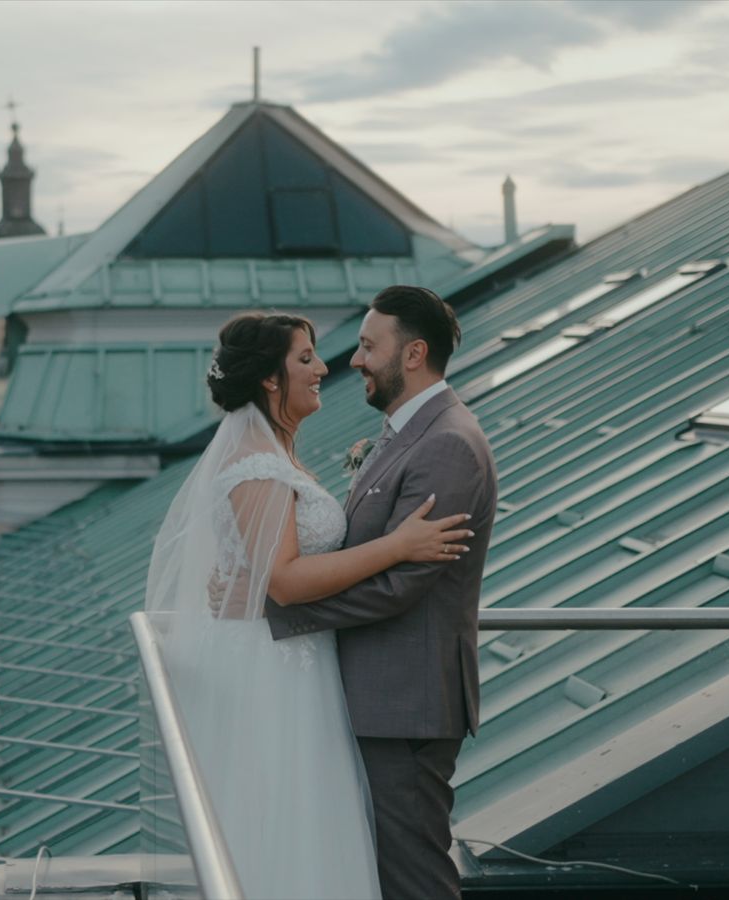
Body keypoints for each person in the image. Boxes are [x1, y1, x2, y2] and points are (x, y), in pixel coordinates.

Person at [144, 310, 474, 900]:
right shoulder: (256, 463)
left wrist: (253, 591)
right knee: (293, 829)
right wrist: (397, 545)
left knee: (315, 828)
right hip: (277, 675)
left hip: (302, 665)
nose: (325, 367)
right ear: (271, 379)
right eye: (305, 359)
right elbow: (289, 581)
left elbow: (274, 578)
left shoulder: (274, 453)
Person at [268, 285, 496, 900]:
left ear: (414, 353)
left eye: (370, 346)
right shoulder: (406, 434)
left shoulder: (447, 442)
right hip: (383, 699)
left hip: (406, 705)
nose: (355, 360)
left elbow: (401, 586)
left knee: (414, 879)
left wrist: (281, 609)